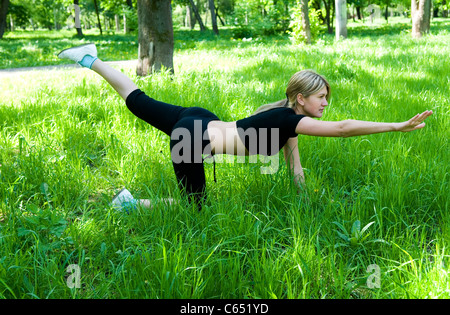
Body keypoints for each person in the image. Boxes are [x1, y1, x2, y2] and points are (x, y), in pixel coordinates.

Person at [57, 44, 433, 211]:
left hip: (200, 120)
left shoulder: (288, 122)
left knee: (137, 100)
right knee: (194, 209)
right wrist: (396, 125)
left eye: (326, 99)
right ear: (300, 99)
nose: (325, 104)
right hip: (194, 136)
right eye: (319, 97)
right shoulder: (288, 120)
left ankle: (91, 58)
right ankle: (130, 204)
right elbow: (343, 129)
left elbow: (295, 168)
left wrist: (307, 205)